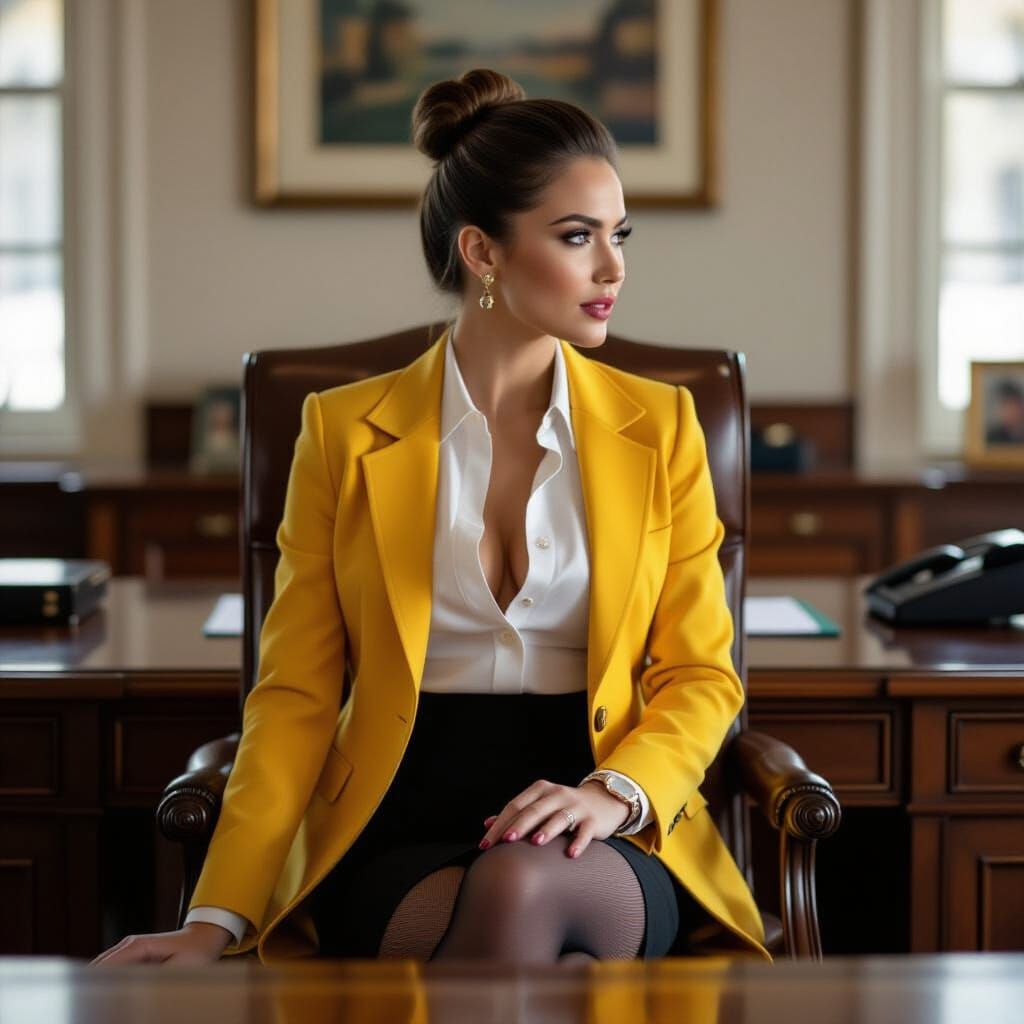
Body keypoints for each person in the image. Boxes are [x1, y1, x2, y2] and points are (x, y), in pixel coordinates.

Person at [91, 68, 767, 967]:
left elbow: (701, 676)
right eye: (577, 237)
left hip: (603, 822)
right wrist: (215, 919)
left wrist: (613, 792)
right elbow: (294, 697)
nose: (615, 268)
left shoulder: (665, 425)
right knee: (542, 954)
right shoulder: (340, 431)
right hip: (395, 822)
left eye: (619, 235)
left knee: (527, 882)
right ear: (482, 252)